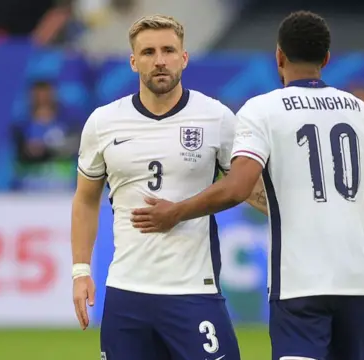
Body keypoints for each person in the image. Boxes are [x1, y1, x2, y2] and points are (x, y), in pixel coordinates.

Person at [133, 11, 364, 360]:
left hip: (301, 279)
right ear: (326, 58)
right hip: (356, 276)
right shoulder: (358, 110)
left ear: (279, 56)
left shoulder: (263, 109)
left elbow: (236, 187)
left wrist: (177, 212)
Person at [70, 14, 267, 360]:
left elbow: (247, 188)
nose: (159, 60)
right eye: (147, 52)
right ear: (133, 62)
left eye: (168, 50)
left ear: (184, 57)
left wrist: (296, 214)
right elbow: (86, 200)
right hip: (127, 292)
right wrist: (81, 271)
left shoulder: (217, 117)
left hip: (194, 291)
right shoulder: (103, 123)